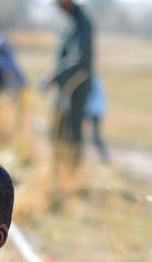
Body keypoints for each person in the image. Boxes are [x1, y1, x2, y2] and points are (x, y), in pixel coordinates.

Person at [43, 0, 94, 170]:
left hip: (76, 86)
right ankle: (58, 168)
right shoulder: (68, 20)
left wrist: (54, 77)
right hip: (64, 86)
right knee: (58, 130)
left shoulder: (82, 22)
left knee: (72, 131)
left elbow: (79, 58)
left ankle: (72, 172)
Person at [84, 73, 108, 163]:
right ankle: (104, 158)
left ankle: (105, 158)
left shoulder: (90, 78)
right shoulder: (95, 77)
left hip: (93, 109)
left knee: (95, 137)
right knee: (93, 136)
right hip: (95, 109)